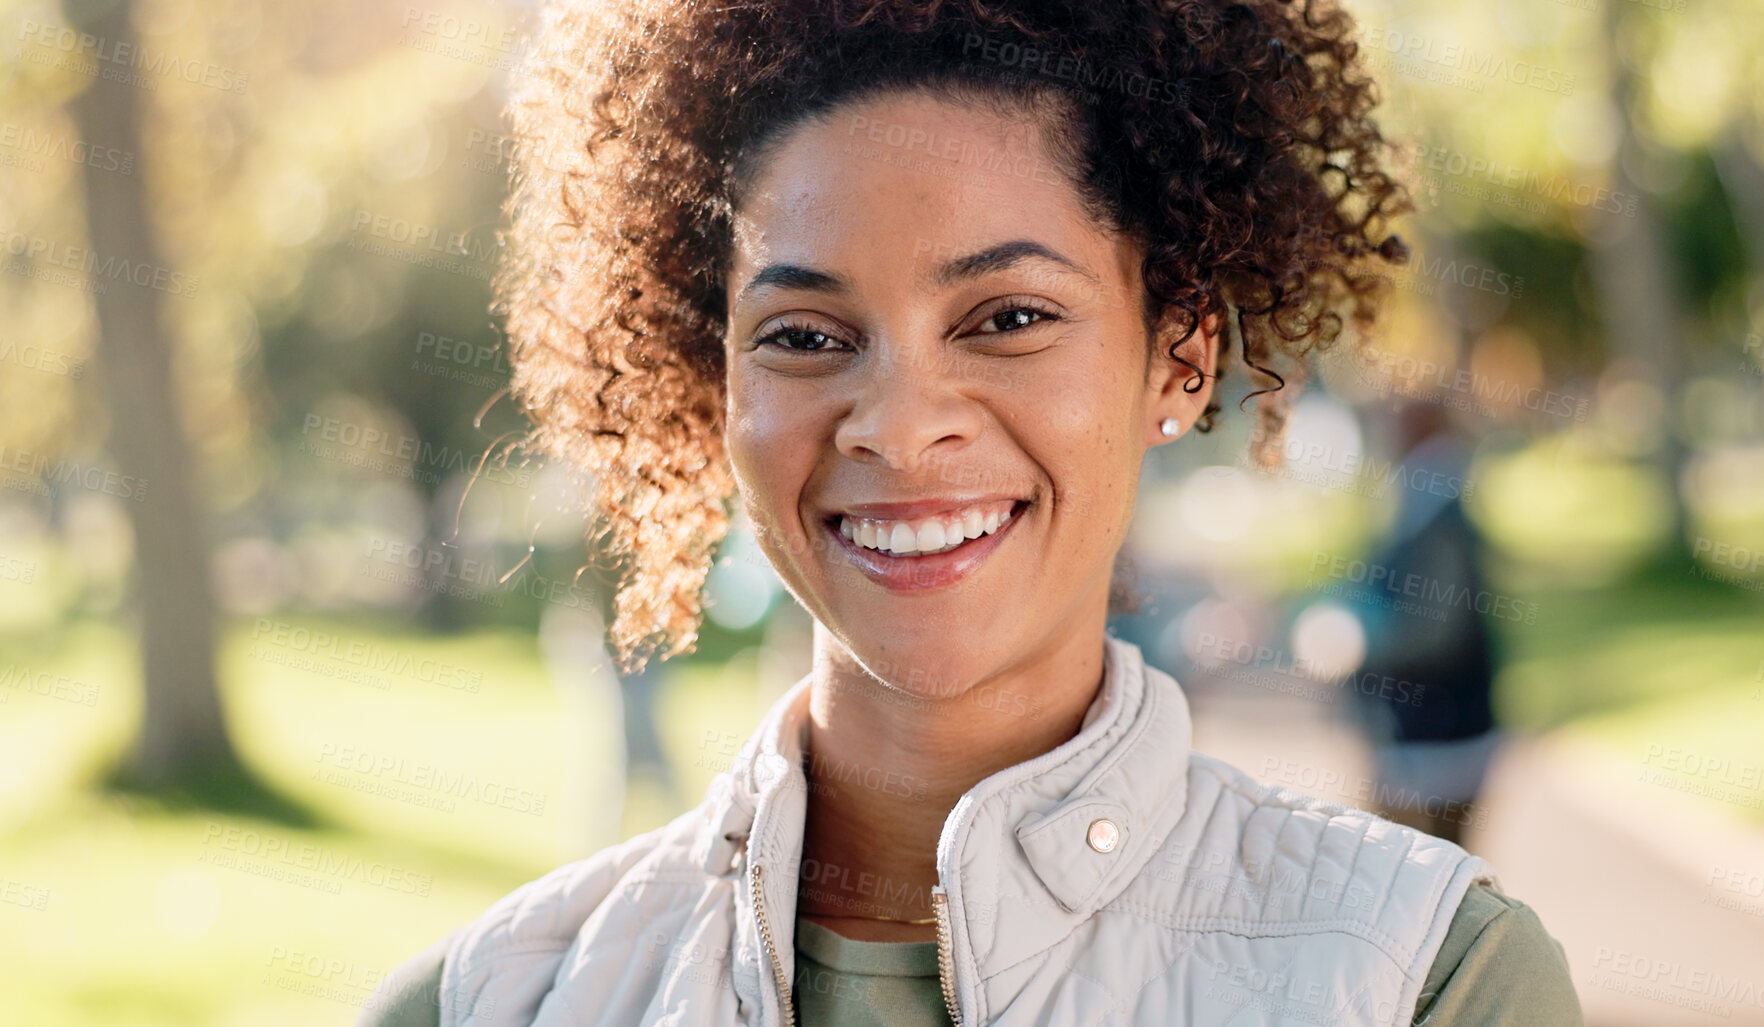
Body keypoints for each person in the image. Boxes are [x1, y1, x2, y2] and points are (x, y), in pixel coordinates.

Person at [360, 0, 1583, 1023]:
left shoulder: (1423, 980)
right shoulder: (487, 1004)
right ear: (712, 379)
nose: (898, 424)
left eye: (1007, 317)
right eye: (803, 335)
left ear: (1180, 357)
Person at [1343, 400, 1501, 849]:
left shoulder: (1437, 514)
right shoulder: (1427, 503)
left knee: (1419, 874)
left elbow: (1433, 630)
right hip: (1435, 725)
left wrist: (1361, 647)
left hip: (1438, 730)